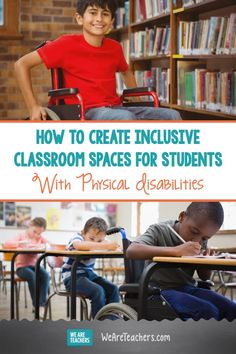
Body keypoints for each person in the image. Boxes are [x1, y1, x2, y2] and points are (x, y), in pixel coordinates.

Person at [14, 0, 181, 121]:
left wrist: (137, 101)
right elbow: (21, 64)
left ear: (112, 21)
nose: (99, 19)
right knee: (126, 118)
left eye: (105, 14)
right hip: (85, 111)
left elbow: (126, 71)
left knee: (172, 115)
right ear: (80, 18)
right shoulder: (65, 44)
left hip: (116, 108)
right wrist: (33, 106)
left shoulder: (115, 47)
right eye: (93, 13)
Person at [126, 202, 236, 321]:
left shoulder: (200, 240)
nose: (197, 240)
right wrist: (176, 250)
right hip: (159, 290)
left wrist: (206, 262)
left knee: (231, 309)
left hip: (188, 288)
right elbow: (132, 250)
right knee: (208, 311)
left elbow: (204, 277)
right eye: (194, 231)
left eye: (205, 238)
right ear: (182, 217)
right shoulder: (159, 230)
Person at [61, 217, 120, 318]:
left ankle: (111, 321)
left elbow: (116, 247)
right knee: (98, 291)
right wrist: (105, 246)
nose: (95, 243)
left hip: (89, 275)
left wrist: (115, 247)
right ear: (83, 232)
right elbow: (79, 245)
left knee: (113, 289)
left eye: (99, 240)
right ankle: (98, 323)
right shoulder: (77, 237)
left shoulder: (102, 241)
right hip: (72, 278)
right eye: (92, 239)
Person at [3, 217, 50, 319]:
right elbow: (7, 243)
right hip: (22, 268)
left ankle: (41, 305)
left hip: (35, 266)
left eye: (39, 233)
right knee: (31, 275)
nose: (37, 235)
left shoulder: (39, 238)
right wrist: (20, 244)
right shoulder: (21, 236)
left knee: (46, 275)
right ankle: (36, 305)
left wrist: (43, 246)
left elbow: (49, 245)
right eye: (35, 232)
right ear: (30, 226)